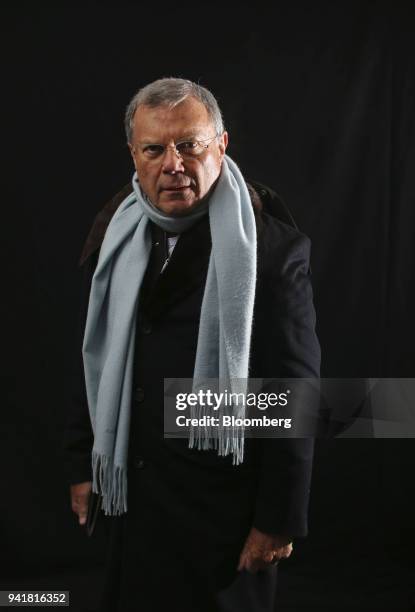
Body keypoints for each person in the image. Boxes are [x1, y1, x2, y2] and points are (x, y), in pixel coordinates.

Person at [63, 77, 321, 612]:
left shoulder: (271, 252)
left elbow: (294, 394)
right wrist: (82, 465)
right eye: (154, 149)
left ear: (221, 145)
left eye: (190, 145)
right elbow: (94, 356)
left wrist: (277, 520)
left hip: (219, 518)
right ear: (134, 155)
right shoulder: (115, 231)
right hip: (131, 507)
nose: (173, 164)